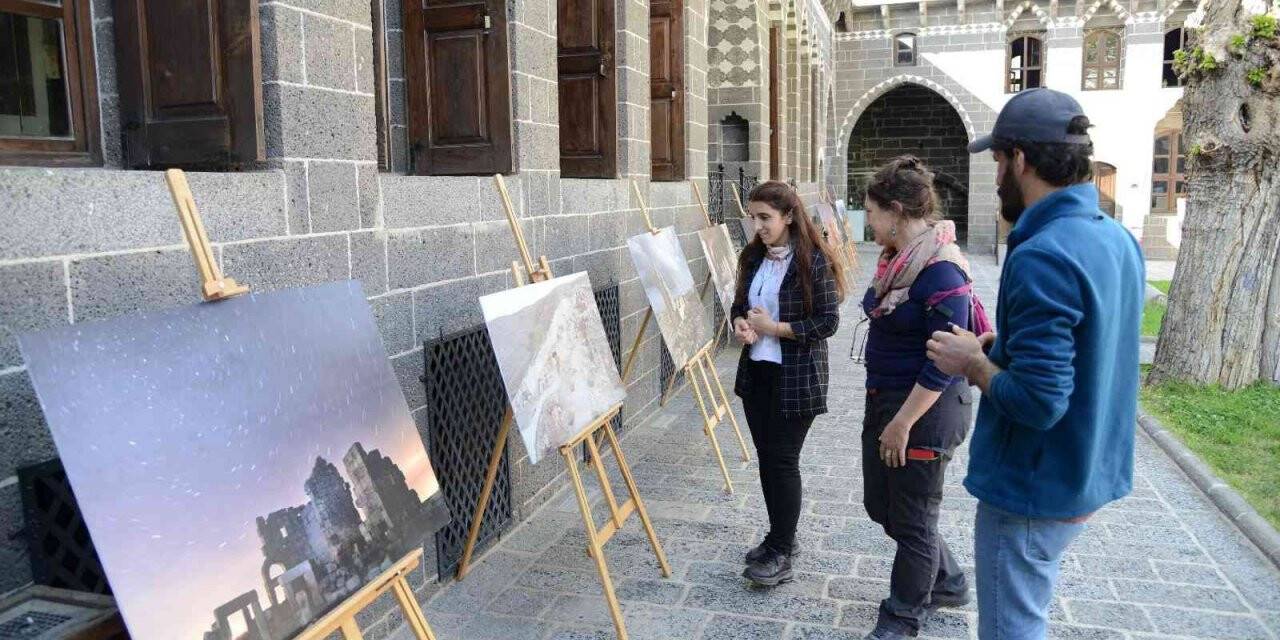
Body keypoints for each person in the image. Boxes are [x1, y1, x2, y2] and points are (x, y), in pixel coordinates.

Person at [926, 88, 1145, 639]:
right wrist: (1007, 343)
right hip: (1084, 473)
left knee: (1013, 628)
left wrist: (973, 363)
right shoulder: (1117, 238)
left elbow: (1040, 402)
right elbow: (1092, 342)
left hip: (1033, 484)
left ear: (1019, 160)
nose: (997, 175)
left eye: (998, 160)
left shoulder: (1043, 252)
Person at [858, 156, 975, 640]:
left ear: (897, 210)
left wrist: (903, 422)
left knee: (913, 516)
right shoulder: (894, 264)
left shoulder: (942, 272)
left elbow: (943, 363)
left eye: (871, 211)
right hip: (885, 399)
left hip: (925, 411)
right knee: (881, 507)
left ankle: (904, 616)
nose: (867, 221)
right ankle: (947, 579)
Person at [732, 180, 846, 586]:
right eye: (753, 218)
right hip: (757, 375)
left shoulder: (812, 260)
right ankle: (780, 536)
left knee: (782, 461)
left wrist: (775, 328)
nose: (758, 226)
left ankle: (781, 551)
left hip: (796, 378)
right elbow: (739, 305)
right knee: (768, 460)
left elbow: (828, 322)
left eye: (765, 217)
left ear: (788, 216)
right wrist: (743, 324)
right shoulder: (753, 256)